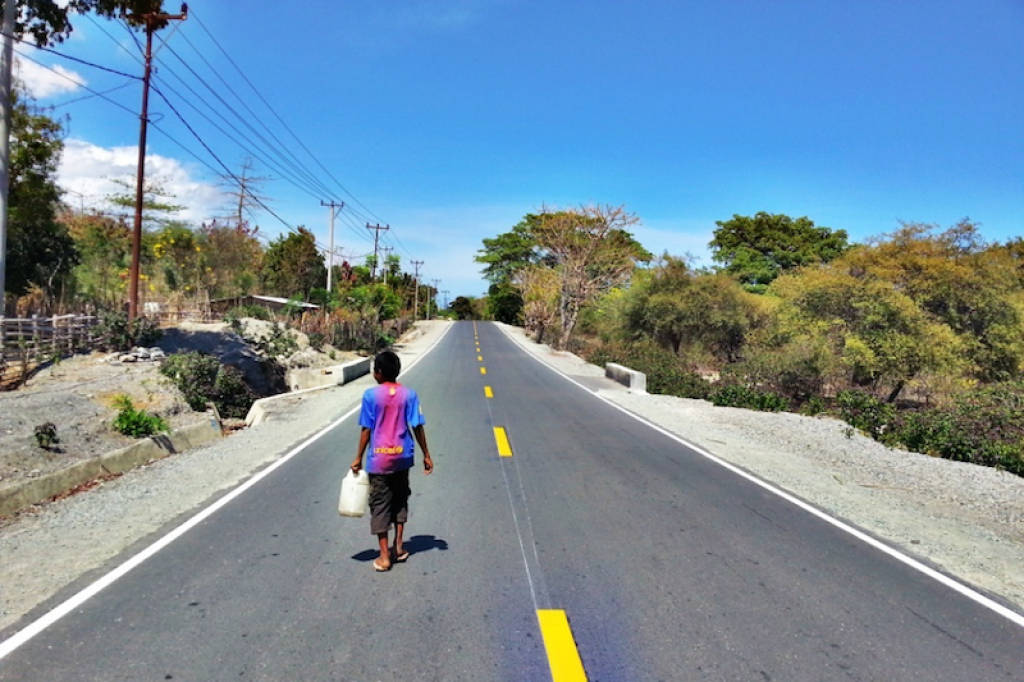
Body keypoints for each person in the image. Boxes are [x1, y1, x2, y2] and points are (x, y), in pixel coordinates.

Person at [351, 350, 433, 572]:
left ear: (377, 373)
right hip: (402, 458)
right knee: (400, 499)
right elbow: (417, 426)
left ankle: (384, 557)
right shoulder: (409, 395)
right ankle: (399, 548)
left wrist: (358, 458)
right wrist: (426, 454)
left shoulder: (370, 396)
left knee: (380, 504)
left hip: (380, 460)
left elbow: (366, 430)